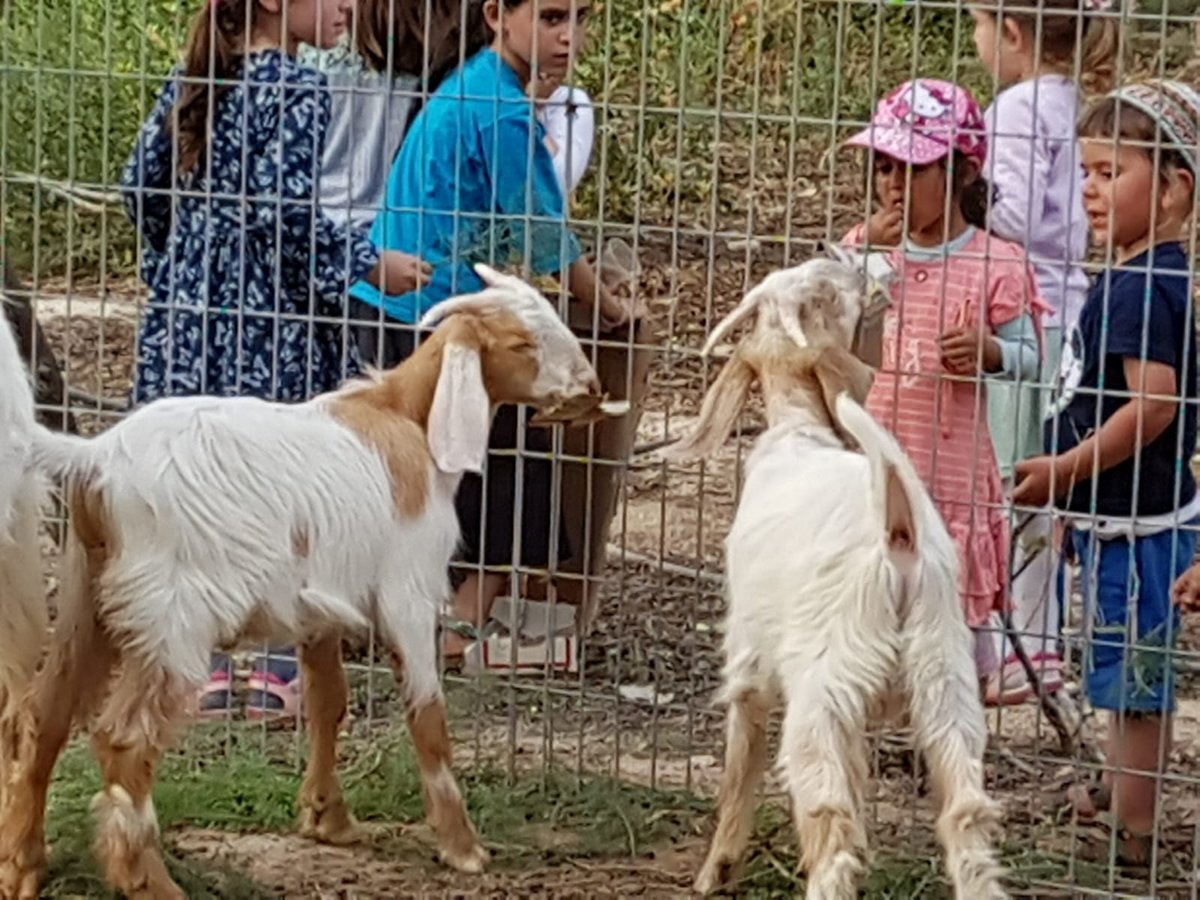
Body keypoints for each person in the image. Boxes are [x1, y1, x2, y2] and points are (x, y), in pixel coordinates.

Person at [120, 0, 428, 722]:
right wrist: (367, 263)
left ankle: (208, 661)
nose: (349, 5)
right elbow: (282, 218)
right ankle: (283, 660)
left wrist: (179, 265)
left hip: (189, 323)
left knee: (202, 490)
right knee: (286, 490)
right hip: (272, 328)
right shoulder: (298, 88)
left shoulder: (198, 75)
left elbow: (140, 186)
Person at [348, 0, 638, 668]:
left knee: (423, 470)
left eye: (581, 17)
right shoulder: (504, 110)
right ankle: (458, 629)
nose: (570, 35)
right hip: (426, 319)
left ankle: (415, 617)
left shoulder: (481, 79)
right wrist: (612, 311)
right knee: (514, 464)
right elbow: (545, 240)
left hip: (395, 305)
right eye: (551, 16)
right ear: (496, 17)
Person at [1014, 80, 1200, 867]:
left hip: (1144, 525)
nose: (1088, 190)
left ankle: (1136, 831)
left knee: (1136, 677)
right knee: (1121, 666)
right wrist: (1075, 502)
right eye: (1084, 171)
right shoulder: (1129, 275)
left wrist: (1064, 471)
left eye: (1109, 172)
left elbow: (1152, 409)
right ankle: (1124, 792)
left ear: (1171, 189)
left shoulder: (1147, 286)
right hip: (1113, 515)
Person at [841, 79, 1046, 689]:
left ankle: (944, 724)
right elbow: (827, 316)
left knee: (945, 606)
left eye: (914, 168)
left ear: (962, 173)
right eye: (884, 167)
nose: (893, 186)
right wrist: (857, 256)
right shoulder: (867, 250)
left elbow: (1032, 357)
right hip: (878, 454)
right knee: (869, 592)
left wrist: (991, 353)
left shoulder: (996, 262)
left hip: (953, 467)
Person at [970, 0, 1118, 706]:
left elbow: (1016, 214)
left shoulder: (1016, 107)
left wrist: (966, 194)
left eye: (976, 23)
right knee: (1043, 478)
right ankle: (1043, 639)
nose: (975, 39)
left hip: (1028, 312)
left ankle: (1017, 646)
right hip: (1072, 307)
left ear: (1012, 32)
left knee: (1012, 475)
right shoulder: (1072, 102)